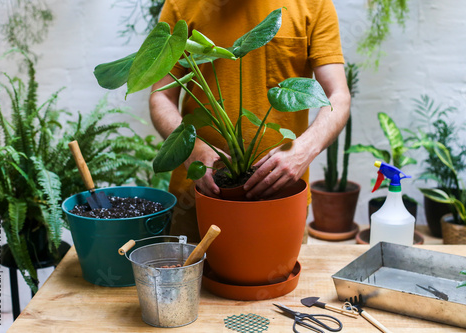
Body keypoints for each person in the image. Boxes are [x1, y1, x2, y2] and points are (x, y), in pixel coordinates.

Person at [149, 0, 351, 242]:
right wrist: (190, 149)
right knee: (191, 279)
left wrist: (303, 150)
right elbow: (161, 95)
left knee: (279, 278)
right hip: (198, 195)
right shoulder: (181, 4)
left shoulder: (314, 4)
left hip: (280, 196)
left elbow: (338, 96)